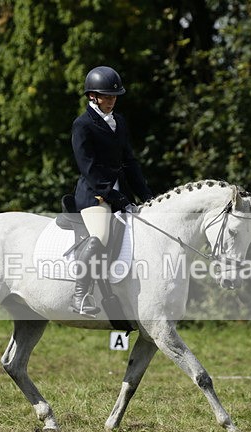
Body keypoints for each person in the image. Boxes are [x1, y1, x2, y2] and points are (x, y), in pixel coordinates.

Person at [70, 65, 154, 316]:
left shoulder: (120, 122)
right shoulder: (82, 125)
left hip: (120, 195)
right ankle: (79, 295)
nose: (112, 100)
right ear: (92, 96)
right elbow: (89, 168)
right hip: (94, 196)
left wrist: (147, 196)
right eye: (106, 96)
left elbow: (129, 162)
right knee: (101, 235)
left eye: (114, 96)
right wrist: (114, 196)